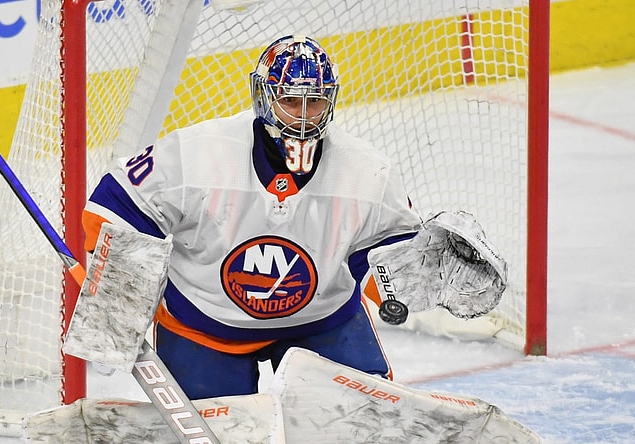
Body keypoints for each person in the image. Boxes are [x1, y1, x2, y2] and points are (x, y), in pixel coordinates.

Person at [82, 34, 422, 400]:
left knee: (363, 423)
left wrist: (417, 277)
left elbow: (385, 257)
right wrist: (116, 307)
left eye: (316, 102)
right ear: (264, 98)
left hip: (321, 323)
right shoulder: (199, 153)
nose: (305, 117)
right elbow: (116, 206)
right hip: (206, 324)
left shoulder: (367, 171)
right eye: (291, 101)